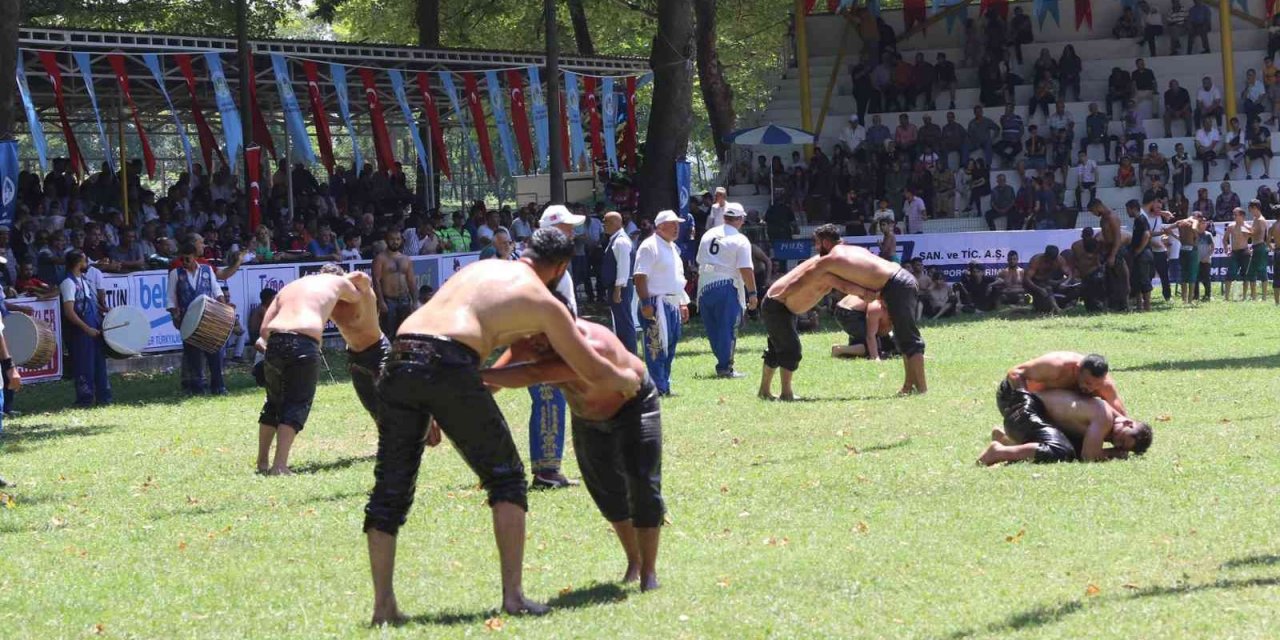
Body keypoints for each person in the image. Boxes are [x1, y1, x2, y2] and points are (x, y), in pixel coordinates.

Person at [363, 228, 641, 624]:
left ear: (525, 251)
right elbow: (588, 365)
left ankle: (382, 607)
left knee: (389, 487)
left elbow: (463, 350)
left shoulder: (481, 269)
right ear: (560, 267)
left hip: (401, 353)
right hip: (448, 359)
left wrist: (437, 405)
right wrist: (625, 379)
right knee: (507, 479)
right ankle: (513, 596)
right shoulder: (545, 302)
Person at [482, 319, 665, 592]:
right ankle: (634, 562)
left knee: (642, 484)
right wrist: (453, 395)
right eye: (532, 336)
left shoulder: (592, 347)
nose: (535, 343)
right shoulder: (529, 341)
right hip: (587, 417)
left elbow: (535, 374)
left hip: (634, 406)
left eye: (543, 337)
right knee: (605, 490)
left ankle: (649, 572)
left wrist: (470, 375)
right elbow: (494, 381)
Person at [759, 224, 926, 400]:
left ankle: (921, 389)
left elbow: (804, 279)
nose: (815, 248)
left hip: (896, 285)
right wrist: (867, 293)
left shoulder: (828, 261)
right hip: (901, 279)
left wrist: (781, 294)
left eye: (816, 243)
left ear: (825, 242)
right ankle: (909, 386)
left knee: (908, 338)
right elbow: (848, 281)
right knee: (902, 336)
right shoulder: (852, 250)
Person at [254, 264, 379, 475]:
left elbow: (264, 331)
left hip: (275, 342)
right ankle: (280, 466)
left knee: (273, 403)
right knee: (297, 403)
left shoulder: (289, 288)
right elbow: (358, 291)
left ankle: (262, 462)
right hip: (303, 343)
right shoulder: (337, 282)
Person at [528, 204, 587, 489]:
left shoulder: (550, 262)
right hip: (547, 344)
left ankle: (549, 468)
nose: (572, 233)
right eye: (567, 228)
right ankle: (545, 471)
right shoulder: (545, 266)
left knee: (553, 403)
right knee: (549, 403)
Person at [979, 389, 1152, 465]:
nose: (1115, 442)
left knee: (1072, 451)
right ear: (1128, 422)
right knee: (1062, 450)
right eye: (1121, 438)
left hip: (1025, 418)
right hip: (1024, 410)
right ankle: (998, 452)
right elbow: (1088, 457)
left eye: (1120, 446)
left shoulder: (1108, 420)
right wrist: (1113, 454)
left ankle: (1007, 441)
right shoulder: (1105, 416)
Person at [167, 233, 243, 396]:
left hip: (211, 315)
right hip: (188, 319)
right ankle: (198, 387)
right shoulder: (175, 273)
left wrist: (223, 305)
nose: (185, 262)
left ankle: (218, 386)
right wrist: (175, 316)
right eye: (183, 259)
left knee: (214, 351)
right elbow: (171, 299)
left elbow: (216, 291)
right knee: (193, 354)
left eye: (188, 258)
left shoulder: (207, 270)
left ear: (194, 257)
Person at [696, 203, 757, 379]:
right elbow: (746, 268)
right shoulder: (740, 239)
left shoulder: (708, 234)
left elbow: (700, 259)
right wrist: (752, 293)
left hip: (705, 284)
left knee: (713, 327)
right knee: (728, 327)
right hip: (727, 284)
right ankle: (725, 366)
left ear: (724, 217)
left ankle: (722, 362)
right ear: (740, 219)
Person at [635, 211, 689, 397]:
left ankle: (664, 383)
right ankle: (658, 387)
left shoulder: (672, 247)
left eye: (677, 224)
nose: (676, 228)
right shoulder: (649, 246)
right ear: (660, 226)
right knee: (656, 347)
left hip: (672, 302)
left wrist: (682, 302)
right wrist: (645, 303)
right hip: (656, 304)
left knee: (671, 345)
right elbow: (640, 276)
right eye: (672, 224)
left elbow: (677, 278)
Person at [60, 250, 111, 407]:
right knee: (84, 365)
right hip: (80, 331)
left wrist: (103, 311)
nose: (87, 264)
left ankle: (104, 398)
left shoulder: (84, 280)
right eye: (85, 261)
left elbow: (90, 304)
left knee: (99, 363)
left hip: (93, 326)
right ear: (78, 263)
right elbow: (69, 312)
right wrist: (86, 328)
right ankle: (85, 399)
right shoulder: (68, 283)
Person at [601, 211, 636, 353]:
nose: (604, 225)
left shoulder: (621, 241)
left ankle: (630, 354)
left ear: (616, 223)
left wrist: (618, 289)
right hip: (617, 286)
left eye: (606, 222)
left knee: (624, 322)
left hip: (621, 287)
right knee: (620, 321)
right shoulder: (615, 239)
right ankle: (624, 352)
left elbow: (623, 266)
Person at [372, 229, 416, 338]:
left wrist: (415, 301)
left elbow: (411, 281)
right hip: (388, 300)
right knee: (388, 334)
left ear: (401, 241)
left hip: (404, 299)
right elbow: (376, 281)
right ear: (386, 240)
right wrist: (381, 301)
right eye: (392, 239)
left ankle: (402, 355)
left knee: (404, 333)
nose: (395, 242)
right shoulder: (380, 259)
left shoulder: (406, 259)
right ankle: (388, 355)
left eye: (398, 239)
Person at [831, 294, 891, 359]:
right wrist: (875, 357)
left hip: (845, 308)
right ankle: (839, 349)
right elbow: (871, 336)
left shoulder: (882, 293)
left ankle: (855, 346)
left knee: (885, 343)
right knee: (875, 348)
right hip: (850, 313)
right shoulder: (876, 306)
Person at [1223, 207, 1251, 301]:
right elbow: (1224, 239)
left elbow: (1255, 238)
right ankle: (1226, 297)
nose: (1234, 216)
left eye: (1236, 214)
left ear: (1242, 216)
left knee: (1245, 275)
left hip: (1244, 252)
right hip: (1234, 253)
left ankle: (1244, 296)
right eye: (1233, 214)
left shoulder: (1247, 226)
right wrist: (1226, 249)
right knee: (1230, 274)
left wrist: (1251, 249)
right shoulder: (1231, 226)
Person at [1247, 200, 1270, 301]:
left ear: (1255, 208)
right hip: (1258, 246)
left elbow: (1258, 234)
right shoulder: (1256, 219)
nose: (1250, 211)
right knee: (1260, 271)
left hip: (1260, 246)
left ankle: (1256, 297)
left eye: (1250, 209)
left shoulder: (1260, 220)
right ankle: (1257, 296)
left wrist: (1245, 230)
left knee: (1254, 272)